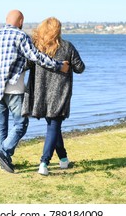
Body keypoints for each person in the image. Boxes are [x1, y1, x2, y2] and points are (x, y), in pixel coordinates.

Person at [0, 10, 70, 173]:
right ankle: (4, 153)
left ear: (6, 20)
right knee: (21, 124)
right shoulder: (20, 36)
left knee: (0, 126)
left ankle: (3, 159)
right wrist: (58, 65)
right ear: (21, 21)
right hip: (14, 89)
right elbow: (36, 56)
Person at [22, 17, 85, 175]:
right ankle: (44, 162)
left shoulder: (36, 47)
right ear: (58, 30)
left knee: (53, 127)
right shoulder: (67, 47)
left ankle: (63, 159)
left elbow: (26, 65)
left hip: (40, 94)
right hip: (59, 93)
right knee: (53, 127)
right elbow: (80, 68)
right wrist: (68, 64)